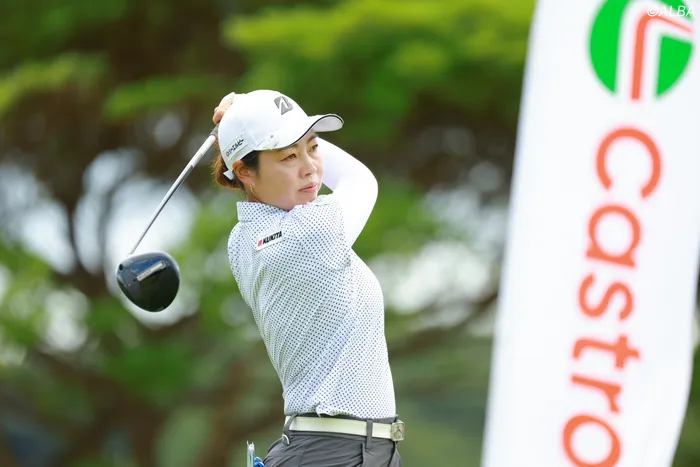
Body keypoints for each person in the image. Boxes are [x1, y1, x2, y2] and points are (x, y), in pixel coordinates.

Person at [211, 89, 404, 467]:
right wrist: (242, 122)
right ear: (245, 171)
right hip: (334, 453)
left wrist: (249, 123)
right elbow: (360, 179)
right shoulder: (309, 232)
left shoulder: (243, 239)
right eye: (288, 156)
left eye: (313, 148)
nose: (311, 168)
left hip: (344, 449)